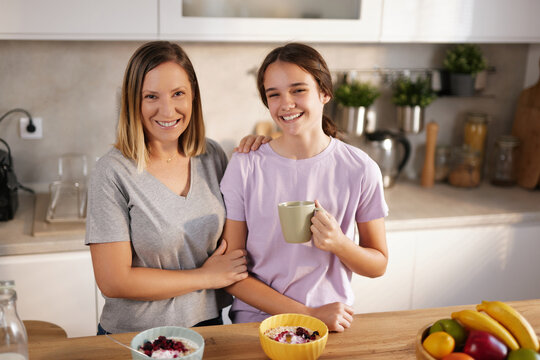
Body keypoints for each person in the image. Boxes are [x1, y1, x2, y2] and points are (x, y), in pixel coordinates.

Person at [85, 41, 268, 334]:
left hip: (208, 330)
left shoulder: (212, 156)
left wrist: (266, 154)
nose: (167, 109)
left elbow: (241, 242)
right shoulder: (112, 172)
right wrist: (205, 278)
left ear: (193, 96)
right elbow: (114, 281)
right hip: (136, 338)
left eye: (178, 93)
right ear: (134, 102)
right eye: (151, 96)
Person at [220, 43, 389, 332]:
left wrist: (339, 243)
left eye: (298, 90)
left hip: (329, 323)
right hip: (256, 322)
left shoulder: (360, 169)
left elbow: (378, 264)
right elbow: (231, 273)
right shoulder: (245, 165)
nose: (286, 103)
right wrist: (307, 313)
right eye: (274, 94)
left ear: (324, 93)